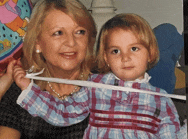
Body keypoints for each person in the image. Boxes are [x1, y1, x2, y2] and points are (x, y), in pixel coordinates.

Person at [15, 14, 180, 139]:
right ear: (107, 59)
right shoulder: (95, 87)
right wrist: (29, 90)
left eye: (134, 48)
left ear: (150, 54)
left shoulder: (161, 100)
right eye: (115, 51)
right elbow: (63, 113)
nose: (125, 57)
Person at [0, 0, 97, 139]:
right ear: (37, 42)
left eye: (80, 32)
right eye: (58, 33)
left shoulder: (105, 89)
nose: (71, 42)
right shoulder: (20, 91)